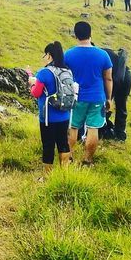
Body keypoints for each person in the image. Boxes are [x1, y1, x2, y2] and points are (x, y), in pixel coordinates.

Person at [65, 21, 113, 165]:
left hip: (75, 97)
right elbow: (108, 78)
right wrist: (109, 98)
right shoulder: (103, 55)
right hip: (97, 97)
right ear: (90, 34)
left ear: (76, 35)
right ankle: (87, 160)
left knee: (73, 127)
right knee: (93, 128)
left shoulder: (68, 54)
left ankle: (69, 157)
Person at [29, 42, 73, 172]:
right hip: (65, 114)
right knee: (63, 143)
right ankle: (64, 172)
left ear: (49, 55)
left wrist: (32, 83)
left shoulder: (44, 72)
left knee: (48, 145)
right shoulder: (67, 70)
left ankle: (47, 175)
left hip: (48, 117)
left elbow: (36, 93)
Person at [103, 47, 131, 141]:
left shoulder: (99, 54)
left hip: (115, 77)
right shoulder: (106, 52)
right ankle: (120, 133)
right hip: (126, 75)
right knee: (121, 105)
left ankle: (105, 129)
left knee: (105, 104)